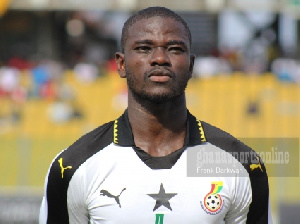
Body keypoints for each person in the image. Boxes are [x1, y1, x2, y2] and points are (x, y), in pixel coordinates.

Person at [39, 7, 271, 224]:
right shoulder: (72, 166)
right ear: (121, 64)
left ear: (191, 66)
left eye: (174, 49)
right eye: (143, 48)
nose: (160, 58)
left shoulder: (241, 165)